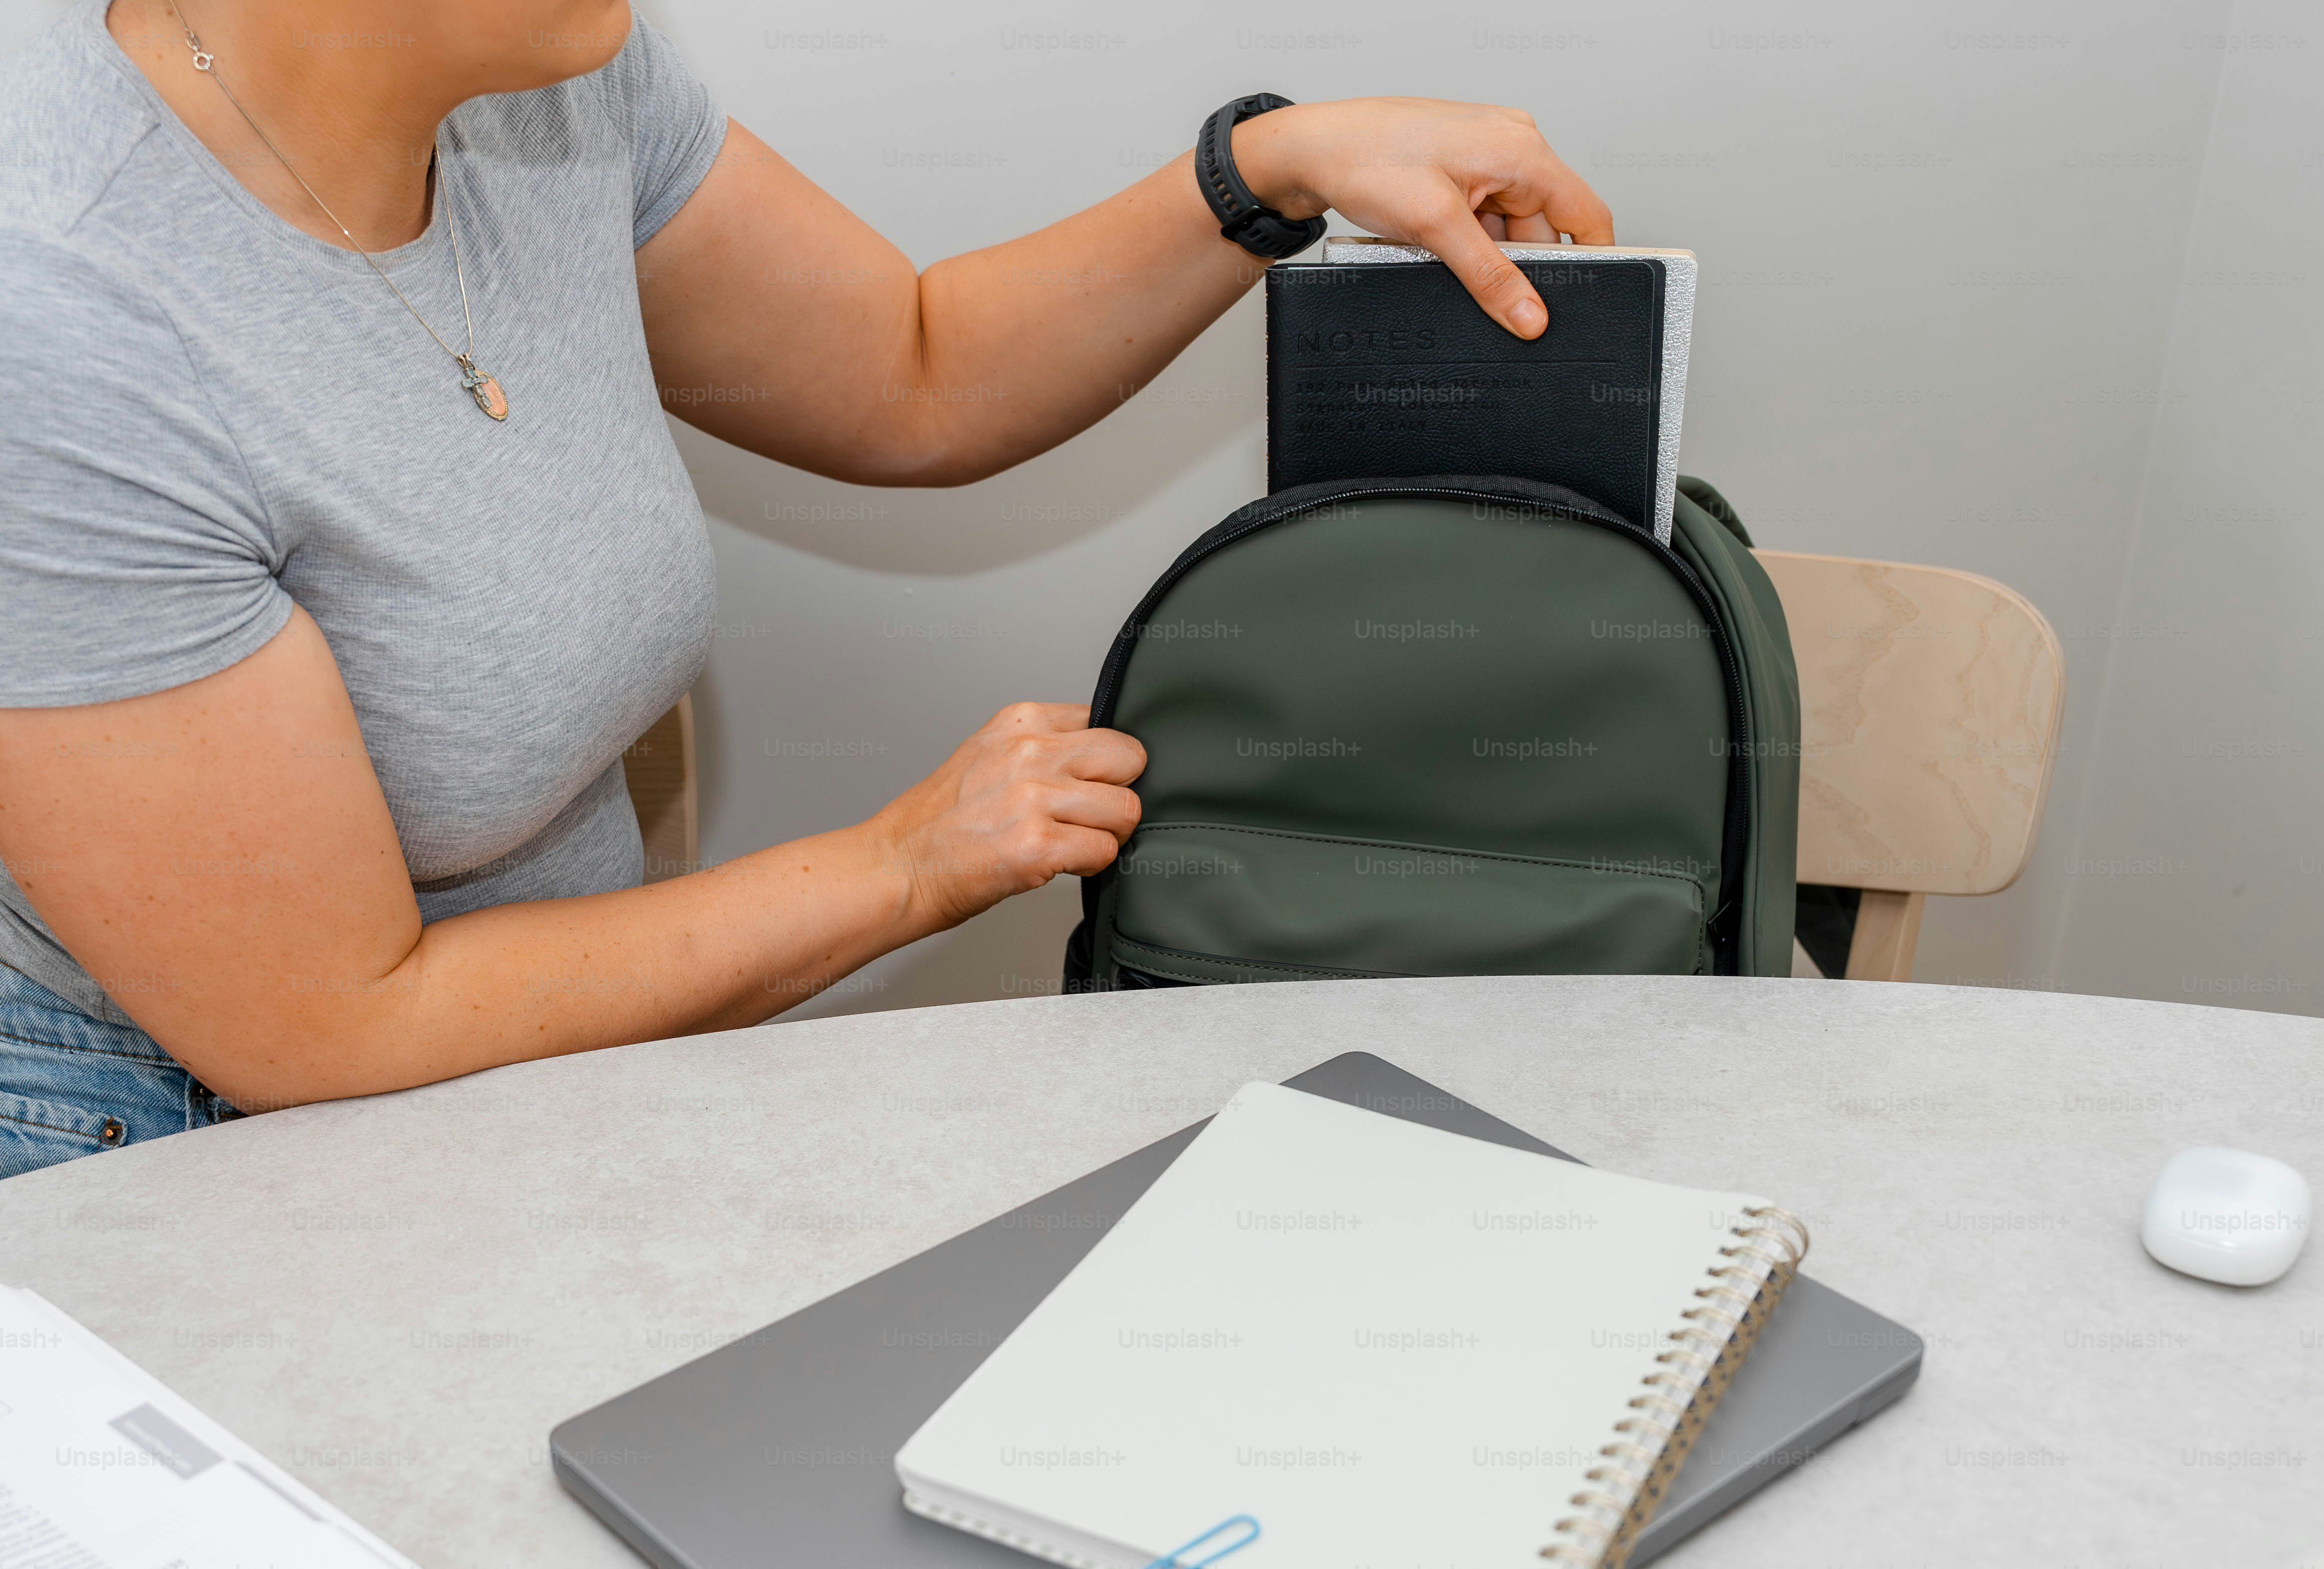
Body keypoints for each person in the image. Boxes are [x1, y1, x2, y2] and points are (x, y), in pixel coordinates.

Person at [0, 0, 1614, 1177]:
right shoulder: (58, 299)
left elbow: (912, 372)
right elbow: (325, 1027)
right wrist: (905, 864)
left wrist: (1274, 168)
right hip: (164, 1157)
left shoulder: (552, 69)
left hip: (528, 1095)